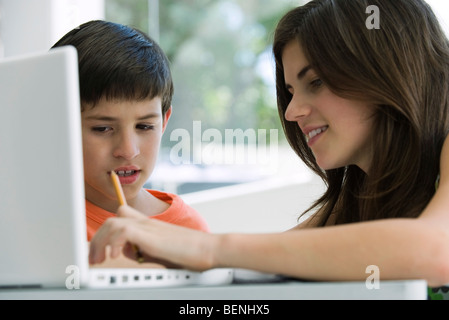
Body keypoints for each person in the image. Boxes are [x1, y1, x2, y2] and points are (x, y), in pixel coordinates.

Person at [88, 0, 449, 294]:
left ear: (386, 68)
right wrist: (145, 269)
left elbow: (436, 251)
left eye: (316, 82)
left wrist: (207, 248)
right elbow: (260, 266)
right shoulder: (357, 197)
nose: (292, 112)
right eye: (291, 92)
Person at [52, 21, 209, 266]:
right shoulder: (43, 224)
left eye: (145, 127)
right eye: (102, 128)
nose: (127, 150)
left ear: (164, 122)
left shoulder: (189, 231)